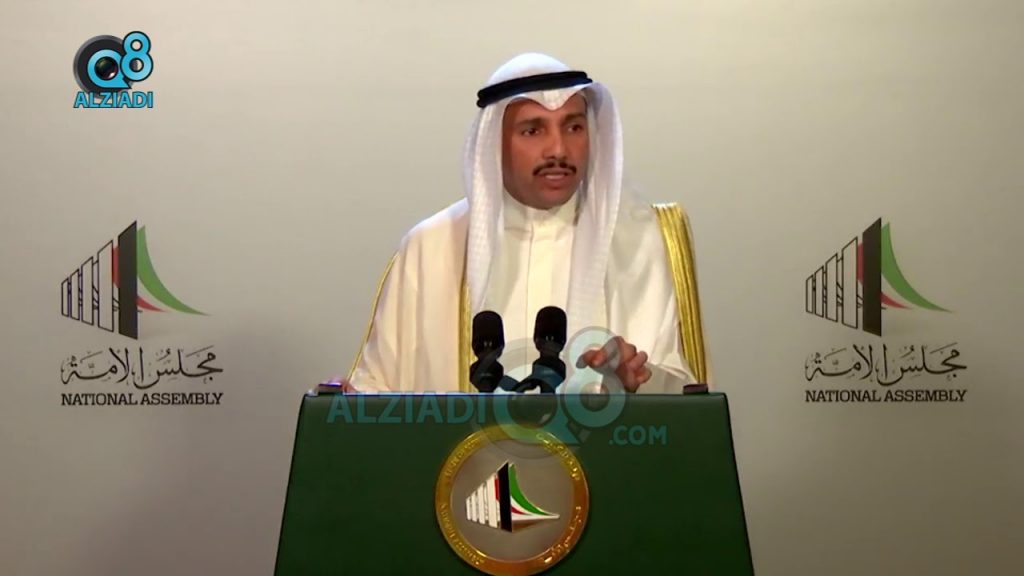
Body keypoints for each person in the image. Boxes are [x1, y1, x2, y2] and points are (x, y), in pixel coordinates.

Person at [337, 52, 709, 394]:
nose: (558, 149)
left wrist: (634, 380)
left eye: (573, 127)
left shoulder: (640, 239)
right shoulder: (431, 246)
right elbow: (376, 390)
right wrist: (347, 404)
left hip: (604, 448)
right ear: (494, 143)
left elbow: (684, 394)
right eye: (533, 130)